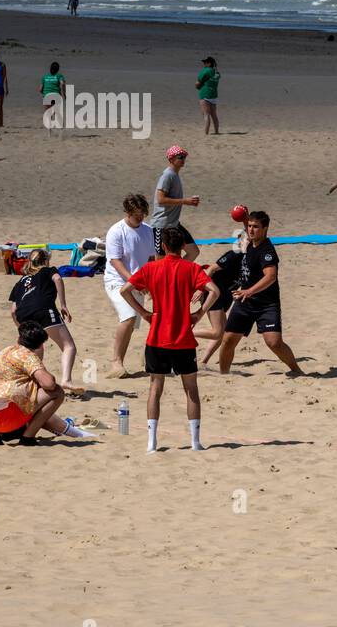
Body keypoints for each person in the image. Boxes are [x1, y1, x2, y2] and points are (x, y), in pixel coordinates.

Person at [122, 226, 221, 453]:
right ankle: (195, 443)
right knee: (191, 390)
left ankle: (151, 443)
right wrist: (199, 313)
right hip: (183, 338)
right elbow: (214, 291)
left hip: (157, 337)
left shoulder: (151, 268)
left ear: (164, 246)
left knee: (155, 389)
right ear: (182, 247)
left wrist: (143, 312)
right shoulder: (191, 268)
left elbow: (125, 290)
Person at [0, 322, 94, 444]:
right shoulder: (29, 357)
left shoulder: (6, 351)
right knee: (57, 391)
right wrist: (39, 360)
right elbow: (49, 384)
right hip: (3, 420)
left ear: (19, 339)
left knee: (13, 392)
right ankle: (28, 438)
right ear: (41, 345)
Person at [217, 211, 303, 375]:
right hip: (245, 302)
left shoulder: (267, 250)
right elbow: (248, 229)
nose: (251, 230)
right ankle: (224, 375)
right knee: (228, 340)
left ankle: (297, 370)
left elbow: (271, 277)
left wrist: (249, 291)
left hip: (266, 304)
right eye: (249, 226)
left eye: (256, 227)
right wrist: (245, 218)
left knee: (274, 343)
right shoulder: (249, 242)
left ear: (265, 229)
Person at [9, 248, 80, 391]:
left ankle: (34, 383)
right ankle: (66, 380)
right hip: (43, 309)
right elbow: (58, 279)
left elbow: (13, 310)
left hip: (24, 315)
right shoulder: (48, 270)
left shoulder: (20, 281)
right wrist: (63, 305)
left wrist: (20, 328)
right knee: (68, 346)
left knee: (36, 348)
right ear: (46, 260)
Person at [104, 194, 156, 378]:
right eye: (136, 214)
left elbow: (150, 259)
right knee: (128, 317)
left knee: (132, 323)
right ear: (128, 212)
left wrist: (149, 281)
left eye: (143, 214)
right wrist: (133, 281)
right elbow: (116, 261)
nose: (140, 217)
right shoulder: (116, 231)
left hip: (139, 282)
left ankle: (124, 361)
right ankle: (115, 363)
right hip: (117, 281)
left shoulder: (148, 230)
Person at [195, 229, 246, 364]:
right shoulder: (233, 255)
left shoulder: (251, 258)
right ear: (240, 242)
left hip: (225, 295)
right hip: (213, 293)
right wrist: (201, 288)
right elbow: (211, 269)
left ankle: (203, 362)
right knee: (217, 332)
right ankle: (185, 334)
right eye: (246, 240)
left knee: (221, 332)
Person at [150, 145, 200, 260]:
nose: (183, 160)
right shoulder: (167, 175)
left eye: (184, 157)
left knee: (193, 251)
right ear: (171, 159)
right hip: (161, 225)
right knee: (161, 261)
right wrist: (185, 201)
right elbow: (160, 199)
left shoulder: (174, 174)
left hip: (174, 224)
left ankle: (178, 273)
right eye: (180, 157)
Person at [196, 56, 220, 134]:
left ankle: (206, 133)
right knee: (214, 116)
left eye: (205, 62)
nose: (204, 64)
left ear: (209, 63)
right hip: (214, 95)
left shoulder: (205, 70)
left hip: (205, 94)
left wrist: (197, 85)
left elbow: (198, 82)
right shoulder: (217, 73)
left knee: (206, 115)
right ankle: (216, 132)